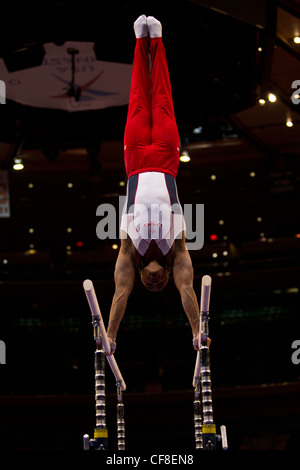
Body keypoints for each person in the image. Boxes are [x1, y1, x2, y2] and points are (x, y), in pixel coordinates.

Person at [107, 15, 202, 354]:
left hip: (134, 163)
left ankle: (138, 41)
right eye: (161, 283)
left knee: (137, 96)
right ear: (166, 275)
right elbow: (188, 289)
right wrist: (197, 330)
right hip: (166, 161)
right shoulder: (176, 251)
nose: (155, 282)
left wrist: (111, 336)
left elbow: (120, 293)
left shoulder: (128, 251)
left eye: (150, 285)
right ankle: (156, 40)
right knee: (161, 96)